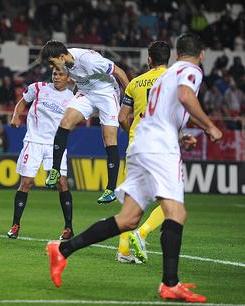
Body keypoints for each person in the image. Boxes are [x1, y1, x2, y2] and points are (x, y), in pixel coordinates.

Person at [46, 33, 223, 303]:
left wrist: (177, 135)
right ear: (201, 55)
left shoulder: (165, 76)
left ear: (176, 54)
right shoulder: (189, 70)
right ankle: (169, 284)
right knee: (175, 211)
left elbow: (151, 114)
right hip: (159, 148)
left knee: (128, 219)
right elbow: (187, 97)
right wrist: (209, 126)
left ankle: (62, 250)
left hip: (141, 143)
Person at [39, 40, 130, 204]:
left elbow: (120, 72)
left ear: (61, 56)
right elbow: (79, 78)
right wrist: (75, 95)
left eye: (52, 62)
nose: (52, 67)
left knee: (109, 138)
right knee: (65, 122)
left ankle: (110, 189)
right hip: (86, 93)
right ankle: (56, 170)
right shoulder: (64, 62)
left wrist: (130, 98)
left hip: (106, 93)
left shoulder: (90, 61)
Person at [115, 41, 170, 264]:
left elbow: (121, 118)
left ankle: (124, 251)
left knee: (130, 201)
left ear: (149, 59)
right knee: (172, 200)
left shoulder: (135, 83)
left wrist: (132, 134)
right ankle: (143, 232)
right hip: (160, 146)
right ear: (169, 59)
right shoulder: (173, 78)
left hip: (135, 146)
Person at [8, 67, 75, 240]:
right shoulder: (38, 87)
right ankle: (15, 225)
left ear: (68, 78)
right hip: (34, 141)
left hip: (56, 145)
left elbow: (77, 118)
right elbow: (22, 102)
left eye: (61, 74)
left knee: (61, 183)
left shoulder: (73, 98)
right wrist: (16, 115)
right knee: (27, 182)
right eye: (54, 74)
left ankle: (68, 227)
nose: (57, 77)